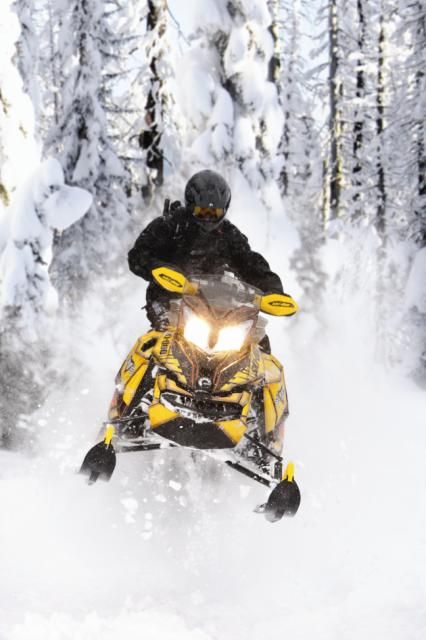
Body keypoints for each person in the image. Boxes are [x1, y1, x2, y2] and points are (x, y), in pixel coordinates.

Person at [128, 170, 285, 350]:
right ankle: (143, 374)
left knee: (258, 342)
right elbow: (138, 255)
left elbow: (250, 262)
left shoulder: (229, 235)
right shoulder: (171, 225)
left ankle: (265, 379)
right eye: (202, 210)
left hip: (216, 309)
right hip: (169, 301)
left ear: (224, 210)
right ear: (191, 205)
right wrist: (158, 268)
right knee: (162, 339)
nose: (208, 217)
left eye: (214, 211)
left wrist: (272, 289)